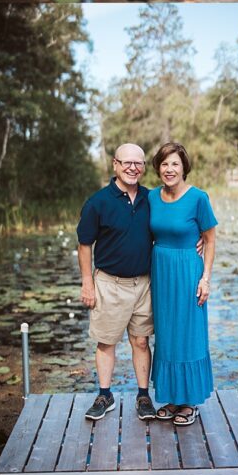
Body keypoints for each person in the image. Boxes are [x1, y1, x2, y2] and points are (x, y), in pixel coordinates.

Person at [77, 143, 156, 422]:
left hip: (144, 284)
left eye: (139, 163)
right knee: (106, 342)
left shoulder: (152, 199)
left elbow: (175, 222)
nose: (133, 167)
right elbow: (84, 245)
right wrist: (87, 283)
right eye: (127, 162)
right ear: (115, 164)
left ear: (144, 167)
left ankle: (143, 396)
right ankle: (105, 394)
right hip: (109, 283)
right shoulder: (98, 202)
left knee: (141, 341)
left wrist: (198, 238)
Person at [149, 142, 217, 426]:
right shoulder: (151, 197)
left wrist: (206, 278)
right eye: (164, 164)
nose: (169, 169)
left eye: (174, 163)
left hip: (189, 272)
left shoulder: (198, 198)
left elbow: (210, 240)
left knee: (188, 333)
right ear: (158, 168)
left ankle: (189, 402)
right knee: (166, 334)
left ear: (184, 167)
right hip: (161, 273)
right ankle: (172, 398)